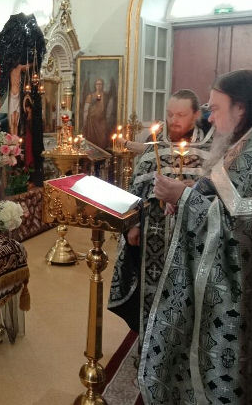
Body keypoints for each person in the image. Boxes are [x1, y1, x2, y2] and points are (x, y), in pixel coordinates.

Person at [143, 70, 252, 404]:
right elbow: (226, 199)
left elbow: (238, 230)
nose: (210, 118)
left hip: (245, 294)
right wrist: (191, 191)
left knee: (242, 371)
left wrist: (183, 198)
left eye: (215, 108)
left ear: (240, 108)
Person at [108, 89, 213, 338]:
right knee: (151, 292)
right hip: (154, 237)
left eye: (181, 115)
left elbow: (216, 193)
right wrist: (133, 226)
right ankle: (149, 341)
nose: (173, 120)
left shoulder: (211, 149)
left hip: (193, 239)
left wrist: (192, 190)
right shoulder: (155, 145)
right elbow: (136, 188)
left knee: (188, 295)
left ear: (195, 115)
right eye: (169, 114)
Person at [81, 78, 117, 149]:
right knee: (92, 139)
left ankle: (102, 153)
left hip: (102, 120)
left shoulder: (106, 96)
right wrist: (85, 120)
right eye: (97, 84)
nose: (99, 86)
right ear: (95, 85)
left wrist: (108, 118)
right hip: (92, 121)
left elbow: (109, 108)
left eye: (100, 84)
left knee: (103, 138)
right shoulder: (90, 96)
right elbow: (86, 109)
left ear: (103, 85)